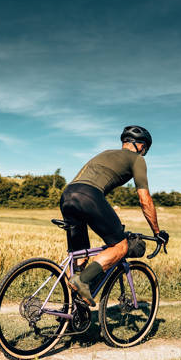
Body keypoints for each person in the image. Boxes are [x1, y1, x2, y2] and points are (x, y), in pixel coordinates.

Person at [60, 125, 169, 306]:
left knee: (80, 256)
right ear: (140, 145)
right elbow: (145, 200)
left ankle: (71, 313)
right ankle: (83, 281)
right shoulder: (137, 160)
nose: (144, 152)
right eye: (145, 148)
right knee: (120, 246)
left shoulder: (106, 153)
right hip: (89, 195)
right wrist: (157, 232)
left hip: (67, 194)